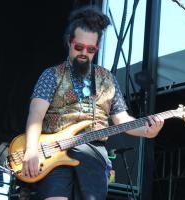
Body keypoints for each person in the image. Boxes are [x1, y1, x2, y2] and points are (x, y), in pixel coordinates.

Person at [22, 5, 164, 200]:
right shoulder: (52, 75)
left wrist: (146, 131)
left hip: (93, 154)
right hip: (54, 151)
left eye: (90, 49)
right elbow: (36, 114)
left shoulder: (108, 79)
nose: (84, 53)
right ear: (69, 42)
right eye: (78, 47)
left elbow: (121, 119)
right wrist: (30, 150)